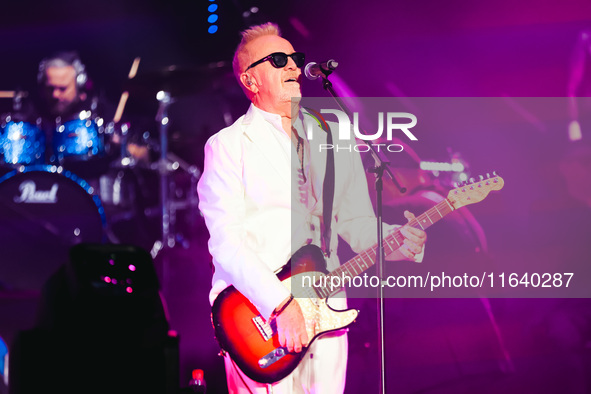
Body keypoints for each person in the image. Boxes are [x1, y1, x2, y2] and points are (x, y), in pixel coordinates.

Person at [197, 22, 427, 393]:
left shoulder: (333, 135)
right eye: (278, 60)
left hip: (327, 307)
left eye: (294, 58)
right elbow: (226, 242)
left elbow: (355, 221)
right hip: (260, 318)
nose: (292, 66)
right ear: (251, 81)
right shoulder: (228, 146)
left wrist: (395, 240)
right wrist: (280, 304)